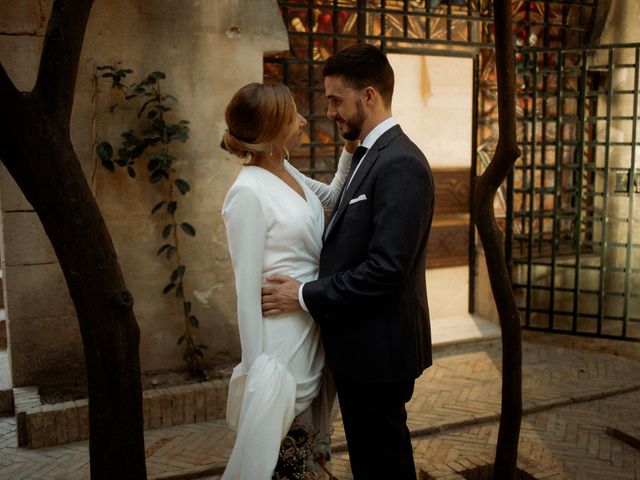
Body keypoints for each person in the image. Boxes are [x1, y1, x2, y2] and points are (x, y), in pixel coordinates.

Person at [261, 43, 435, 479]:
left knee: (384, 465)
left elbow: (386, 270)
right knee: (372, 462)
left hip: (379, 354)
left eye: (337, 99)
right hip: (361, 351)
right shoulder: (368, 154)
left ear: (370, 96)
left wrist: (302, 294)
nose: (330, 110)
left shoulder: (401, 163)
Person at [219, 82, 357, 479]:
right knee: (280, 462)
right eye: (292, 116)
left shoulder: (285, 170)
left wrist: (349, 146)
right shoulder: (246, 192)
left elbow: (331, 197)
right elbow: (246, 289)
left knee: (310, 457)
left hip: (310, 319)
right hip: (280, 344)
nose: (302, 121)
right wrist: (256, 368)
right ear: (272, 131)